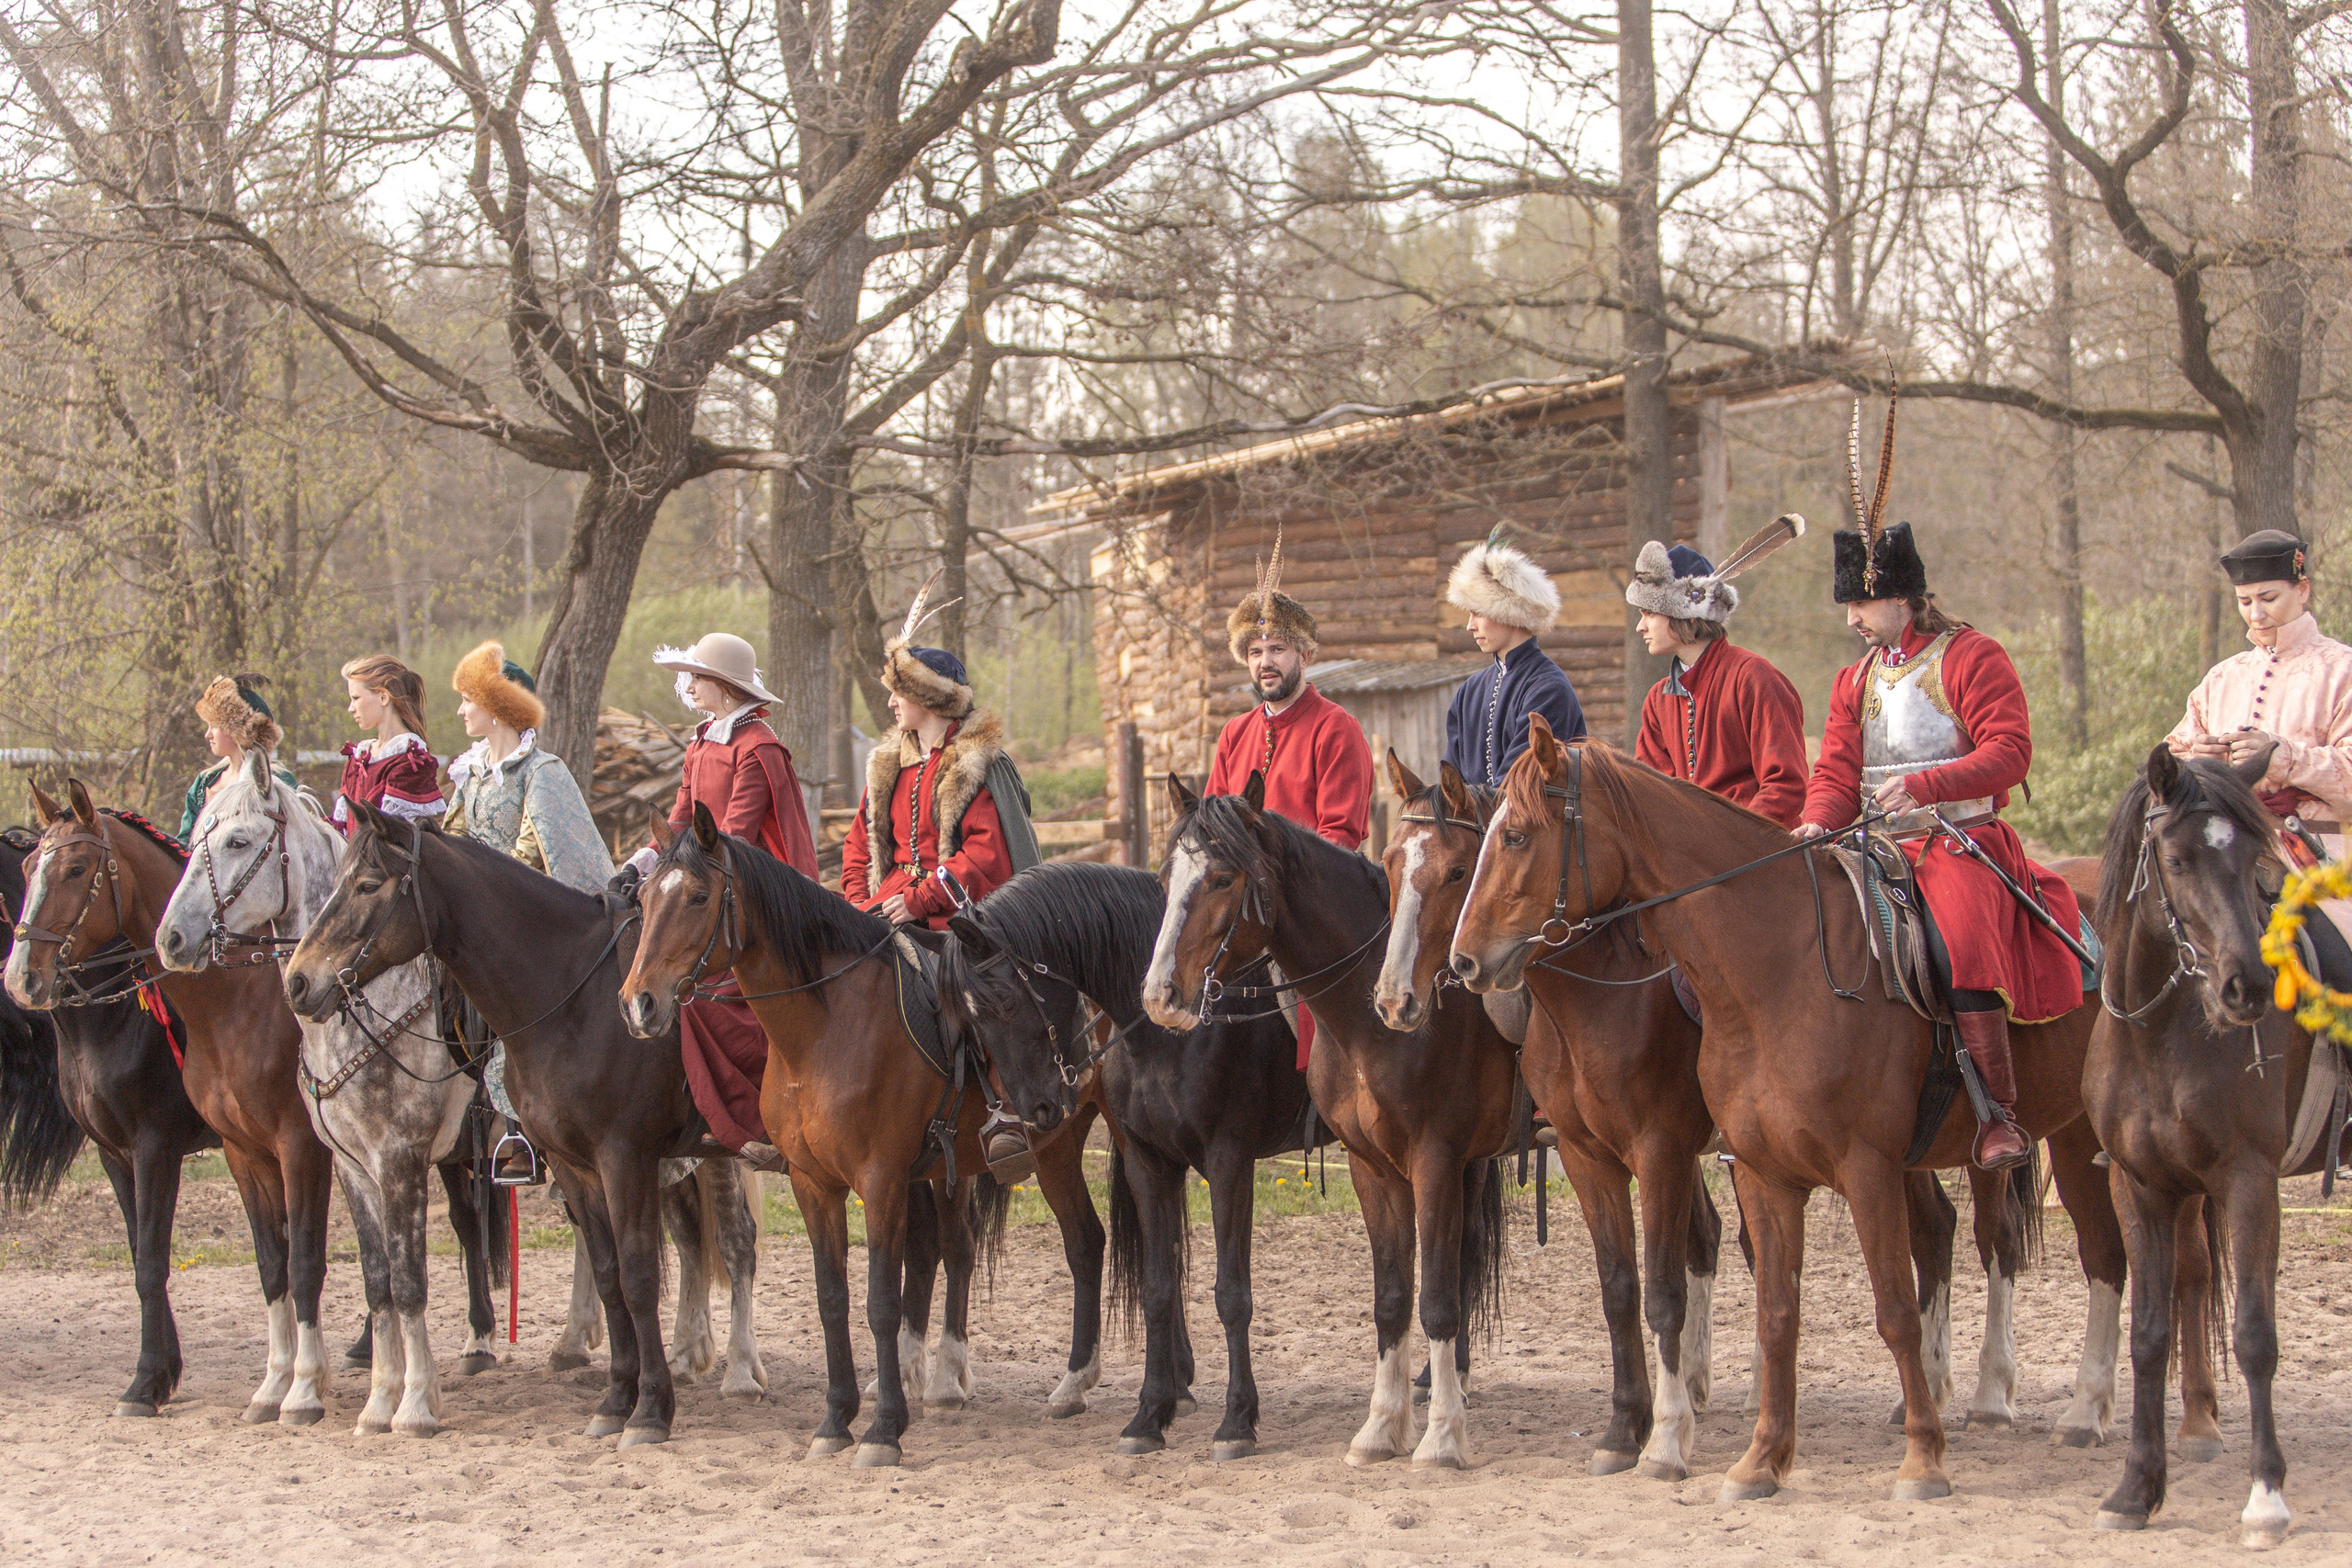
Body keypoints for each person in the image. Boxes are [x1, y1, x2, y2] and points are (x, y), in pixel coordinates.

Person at [1797, 495, 2083, 1172]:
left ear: (1901, 599)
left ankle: (1997, 1112)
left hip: (1961, 842)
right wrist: (1813, 822)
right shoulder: (1855, 680)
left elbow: (2010, 752)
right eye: (1848, 607)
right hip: (1873, 845)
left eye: (1861, 606)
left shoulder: (1972, 656)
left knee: (1959, 939)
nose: (1852, 620)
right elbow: (1838, 772)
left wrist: (1928, 785)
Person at [621, 633, 816, 1164]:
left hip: (756, 885)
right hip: (708, 872)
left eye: (697, 676)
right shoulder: (703, 740)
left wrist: (691, 868)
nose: (688, 685)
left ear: (725, 687)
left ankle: (755, 1119)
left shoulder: (759, 747)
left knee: (710, 994)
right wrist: (642, 864)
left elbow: (735, 832)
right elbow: (682, 817)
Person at [445, 643, 614, 1182]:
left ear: (496, 707)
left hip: (523, 916)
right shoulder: (470, 772)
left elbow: (532, 849)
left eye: (468, 701)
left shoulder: (540, 771)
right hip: (474, 911)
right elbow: (452, 835)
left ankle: (524, 1129)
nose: (460, 712)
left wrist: (479, 886)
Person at [1201, 545, 1374, 1068]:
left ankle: (1316, 1081)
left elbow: (1341, 834)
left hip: (1310, 910)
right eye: (1255, 652)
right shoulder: (1235, 733)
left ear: (1304, 654)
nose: (1265, 662)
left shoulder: (1335, 726)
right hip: (1239, 908)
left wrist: (1277, 889)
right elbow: (1210, 826)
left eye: (1277, 649)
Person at [842, 579, 1043, 930]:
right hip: (886, 906)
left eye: (899, 694)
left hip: (956, 916)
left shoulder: (973, 764)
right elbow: (860, 840)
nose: (891, 702)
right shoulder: (889, 764)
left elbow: (984, 855)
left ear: (927, 697)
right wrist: (858, 903)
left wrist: (920, 900)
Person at [2167, 530, 2352, 871]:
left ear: (2302, 590)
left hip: (2330, 860)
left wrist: (2282, 757)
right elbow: (2165, 768)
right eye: (2245, 601)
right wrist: (2197, 760)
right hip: (2225, 862)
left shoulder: (2343, 670)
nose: (2256, 615)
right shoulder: (2221, 677)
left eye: (2268, 598)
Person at [1625, 522, 1811, 829]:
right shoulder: (1658, 701)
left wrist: (1727, 846)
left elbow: (1786, 785)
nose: (1640, 627)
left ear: (1683, 611)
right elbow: (1655, 798)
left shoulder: (1753, 679)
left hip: (1762, 859)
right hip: (1696, 863)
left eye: (1649, 613)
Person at [1441, 531, 1585, 789]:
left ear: (1506, 611)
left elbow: (1519, 789)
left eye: (1478, 613)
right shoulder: (1469, 693)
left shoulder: (1548, 689)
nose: (1470, 625)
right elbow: (1453, 785)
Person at [180, 675, 298, 842]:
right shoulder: (204, 784)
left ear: (239, 730)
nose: (207, 735)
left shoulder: (278, 782)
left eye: (215, 725)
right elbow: (184, 846)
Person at [333, 655, 443, 833]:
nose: (351, 708)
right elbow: (341, 831)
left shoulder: (411, 762)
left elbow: (396, 841)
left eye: (356, 698)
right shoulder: (358, 759)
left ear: (383, 697)